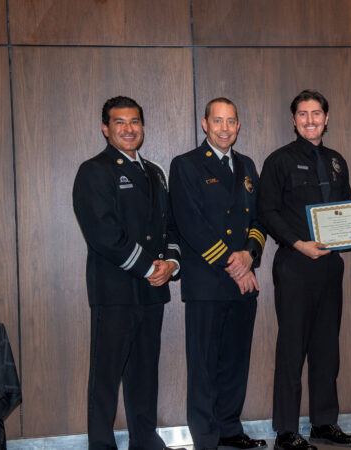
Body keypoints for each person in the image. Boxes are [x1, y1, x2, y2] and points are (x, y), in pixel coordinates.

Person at [72, 96, 180, 450]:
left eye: (134, 121)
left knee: (145, 373)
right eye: (120, 122)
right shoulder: (94, 170)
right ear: (106, 128)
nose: (129, 129)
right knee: (106, 377)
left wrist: (171, 264)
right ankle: (101, 445)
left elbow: (169, 227)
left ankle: (144, 439)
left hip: (152, 290)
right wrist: (150, 266)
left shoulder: (154, 173)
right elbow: (104, 234)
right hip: (115, 291)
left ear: (143, 127)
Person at [258, 90, 351, 450]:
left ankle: (323, 422)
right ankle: (286, 431)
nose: (310, 120)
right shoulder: (278, 161)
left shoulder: (336, 161)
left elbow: (345, 207)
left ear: (326, 118)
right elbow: (267, 212)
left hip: (330, 266)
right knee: (291, 349)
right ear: (294, 120)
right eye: (303, 114)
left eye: (316, 113)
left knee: (326, 349)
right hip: (295, 264)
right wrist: (299, 243)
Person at [169, 98, 267, 450]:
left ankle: (229, 428)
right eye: (218, 121)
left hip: (244, 282)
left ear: (238, 125)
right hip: (208, 283)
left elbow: (259, 221)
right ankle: (206, 438)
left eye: (231, 121)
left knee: (235, 363)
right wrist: (233, 263)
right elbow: (190, 224)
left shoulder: (248, 165)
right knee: (204, 366)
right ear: (205, 124)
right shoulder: (186, 165)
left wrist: (249, 255)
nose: (224, 128)